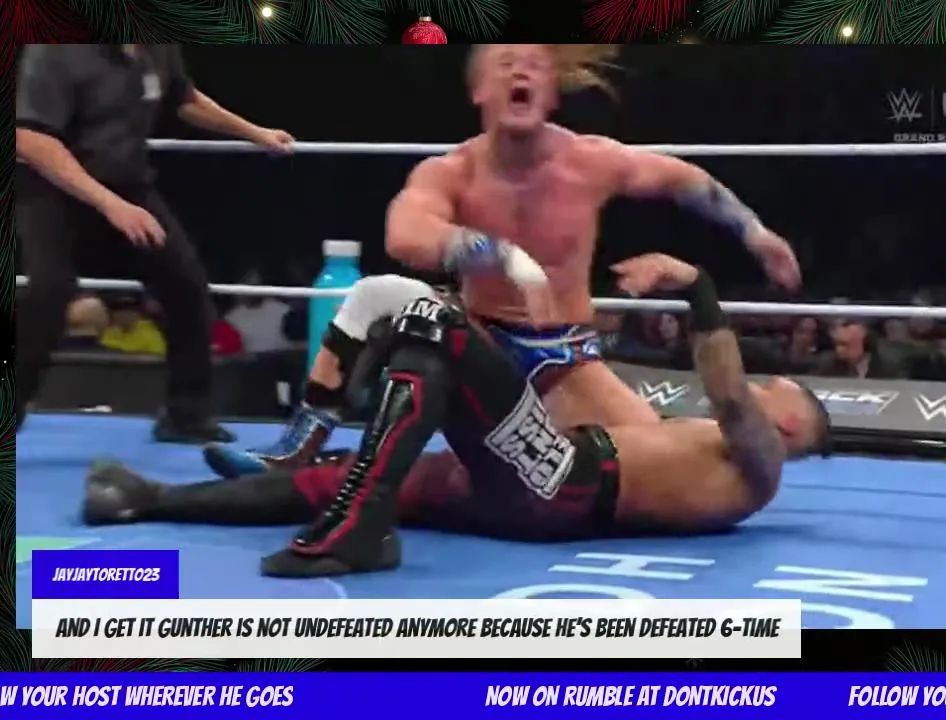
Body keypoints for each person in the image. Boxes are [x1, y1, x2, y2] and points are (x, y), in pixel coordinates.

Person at [202, 44, 801, 475]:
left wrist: (753, 230)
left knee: (664, 462)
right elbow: (405, 233)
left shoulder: (591, 161)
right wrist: (502, 255)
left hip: (564, 357)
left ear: (551, 91)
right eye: (504, 62)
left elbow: (684, 179)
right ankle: (301, 448)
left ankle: (793, 436)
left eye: (534, 64)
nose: (519, 69)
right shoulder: (452, 171)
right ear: (479, 91)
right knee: (375, 294)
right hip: (479, 343)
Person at [82, 255, 832, 577]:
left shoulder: (758, 468)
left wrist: (697, 287)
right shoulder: (693, 448)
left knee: (431, 324)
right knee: (358, 463)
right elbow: (575, 387)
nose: (765, 383)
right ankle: (151, 499)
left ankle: (355, 523)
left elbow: (728, 391)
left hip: (563, 484)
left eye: (780, 387)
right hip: (542, 476)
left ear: (791, 428)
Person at [15, 44, 294, 440]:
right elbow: (30, 137)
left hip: (127, 183)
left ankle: (186, 415)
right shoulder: (55, 49)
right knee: (49, 290)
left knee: (186, 285)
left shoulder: (156, 47)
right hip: (51, 188)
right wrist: (109, 204)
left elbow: (184, 98)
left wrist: (255, 133)